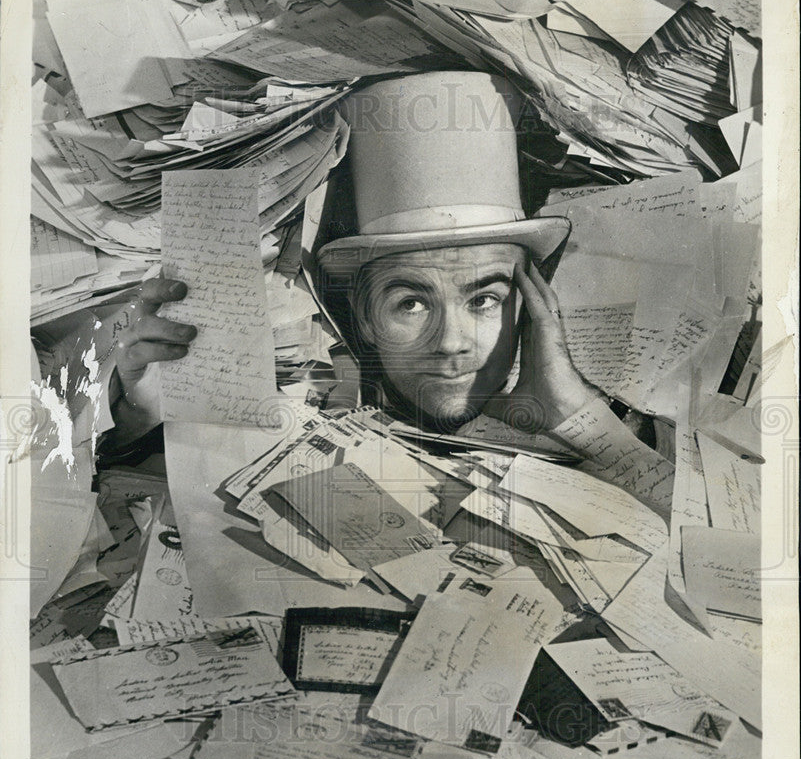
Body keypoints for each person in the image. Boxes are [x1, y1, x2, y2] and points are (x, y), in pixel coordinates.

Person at [105, 71, 674, 513]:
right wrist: (144, 413)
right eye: (412, 302)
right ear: (362, 315)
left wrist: (576, 416)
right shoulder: (305, 402)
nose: (452, 343)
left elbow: (734, 576)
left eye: (484, 300)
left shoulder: (628, 425)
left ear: (527, 306)